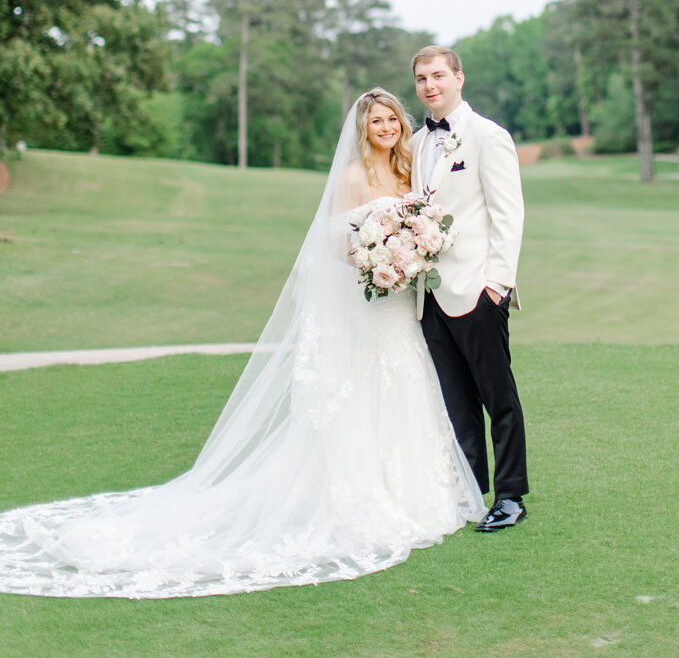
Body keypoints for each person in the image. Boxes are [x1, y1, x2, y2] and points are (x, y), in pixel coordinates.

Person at [0, 89, 483, 599]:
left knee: (406, 383)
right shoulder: (353, 177)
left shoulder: (409, 171)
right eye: (376, 120)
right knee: (365, 389)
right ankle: (364, 495)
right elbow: (334, 242)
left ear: (401, 125)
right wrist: (382, 263)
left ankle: (415, 493)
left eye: (392, 119)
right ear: (362, 128)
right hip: (372, 299)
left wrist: (410, 255)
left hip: (401, 305)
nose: (386, 126)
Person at [411, 46, 528, 531]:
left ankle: (512, 497)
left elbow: (508, 214)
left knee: (496, 396)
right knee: (455, 400)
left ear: (459, 78)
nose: (429, 85)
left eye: (438, 75)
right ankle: (469, 491)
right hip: (428, 296)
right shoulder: (416, 143)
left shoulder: (488, 136)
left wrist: (496, 285)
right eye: (420, 78)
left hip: (477, 291)